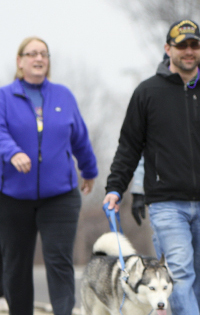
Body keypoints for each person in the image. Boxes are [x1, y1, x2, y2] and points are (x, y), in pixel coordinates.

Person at [103, 19, 200, 315]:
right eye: (182, 45)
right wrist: (115, 188)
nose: (189, 51)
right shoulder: (147, 93)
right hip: (167, 203)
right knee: (179, 276)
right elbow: (129, 147)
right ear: (168, 49)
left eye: (194, 45)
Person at [0, 36, 98, 315]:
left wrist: (89, 169)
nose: (38, 58)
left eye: (43, 53)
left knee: (59, 261)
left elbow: (79, 135)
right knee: (16, 264)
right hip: (12, 196)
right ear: (20, 61)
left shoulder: (63, 95)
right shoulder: (4, 96)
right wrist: (12, 152)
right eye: (31, 54)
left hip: (60, 196)